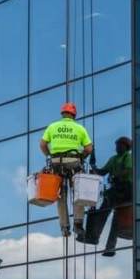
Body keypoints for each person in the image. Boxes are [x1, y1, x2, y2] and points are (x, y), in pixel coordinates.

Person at [39, 102, 93, 238]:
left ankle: (64, 227)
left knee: (60, 196)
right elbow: (88, 148)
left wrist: (49, 155)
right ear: (73, 115)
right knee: (78, 193)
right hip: (73, 162)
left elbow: (43, 144)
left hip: (56, 163)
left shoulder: (53, 126)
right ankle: (78, 224)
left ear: (62, 113)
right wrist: (81, 157)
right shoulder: (79, 128)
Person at [94, 136, 133, 257]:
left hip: (126, 190)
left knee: (106, 209)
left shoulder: (128, 157)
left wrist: (116, 176)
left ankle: (94, 236)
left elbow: (128, 170)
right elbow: (102, 172)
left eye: (119, 145)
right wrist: (94, 167)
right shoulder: (113, 159)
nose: (116, 148)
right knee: (115, 219)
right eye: (116, 146)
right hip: (118, 191)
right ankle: (109, 248)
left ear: (125, 147)